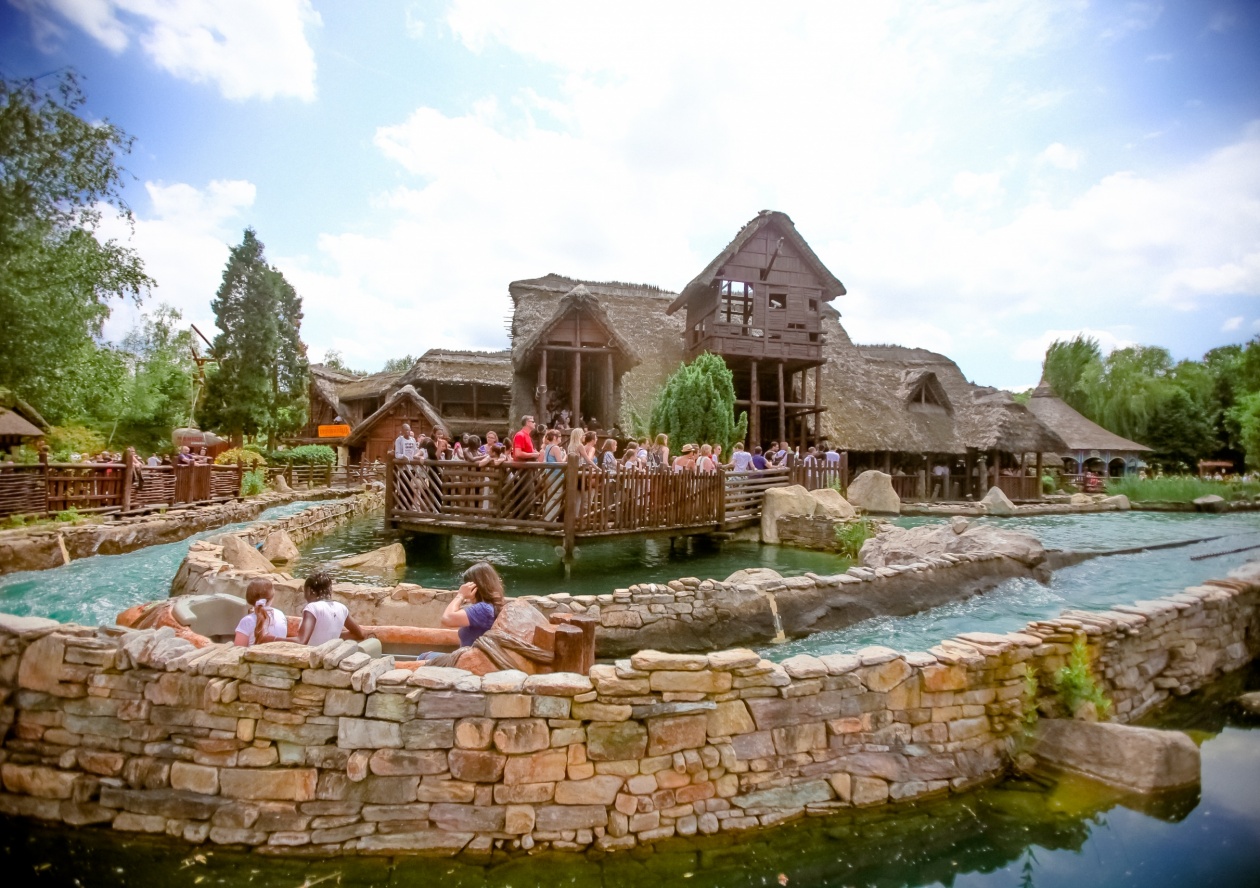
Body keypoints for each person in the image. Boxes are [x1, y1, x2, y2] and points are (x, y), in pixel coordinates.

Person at [437, 561, 506, 650]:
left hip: (467, 661)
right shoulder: (490, 607)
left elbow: (447, 619)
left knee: (424, 656)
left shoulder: (483, 609)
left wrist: (460, 595)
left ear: (474, 587)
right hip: (471, 658)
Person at [297, 571, 367, 647]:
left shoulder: (312, 608)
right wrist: (332, 635)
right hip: (329, 655)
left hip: (310, 655)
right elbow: (360, 635)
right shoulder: (342, 608)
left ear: (310, 591)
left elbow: (302, 641)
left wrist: (281, 639)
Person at [234, 578, 286, 647]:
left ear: (248, 598)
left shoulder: (247, 621)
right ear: (272, 597)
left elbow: (237, 650)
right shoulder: (280, 614)